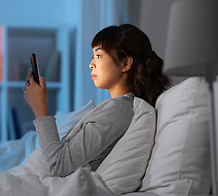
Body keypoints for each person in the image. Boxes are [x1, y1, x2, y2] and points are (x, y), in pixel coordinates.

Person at [23, 24, 170, 177]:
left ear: (125, 63)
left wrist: (40, 107)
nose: (91, 64)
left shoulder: (118, 110)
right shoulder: (118, 108)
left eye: (98, 56)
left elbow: (59, 165)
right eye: (93, 56)